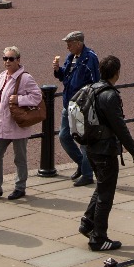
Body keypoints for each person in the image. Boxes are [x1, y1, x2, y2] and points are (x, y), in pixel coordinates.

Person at [79, 55, 134, 252]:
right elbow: (120, 127)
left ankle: (88, 222)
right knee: (106, 194)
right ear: (117, 73)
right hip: (105, 151)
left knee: (101, 186)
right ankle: (98, 238)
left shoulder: (91, 89)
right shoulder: (110, 95)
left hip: (91, 147)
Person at [0, 46, 40, 200]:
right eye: (5, 58)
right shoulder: (2, 76)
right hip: (2, 124)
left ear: (18, 60)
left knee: (19, 158)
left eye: (11, 58)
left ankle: (20, 187)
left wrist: (20, 99)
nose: (7, 61)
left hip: (17, 125)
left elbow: (37, 97)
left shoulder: (25, 78)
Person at [54, 31, 101, 186]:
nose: (67, 47)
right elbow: (64, 77)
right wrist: (57, 70)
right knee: (64, 136)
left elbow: (96, 82)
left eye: (70, 43)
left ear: (79, 43)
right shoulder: (70, 58)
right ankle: (82, 164)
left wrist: (91, 103)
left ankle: (87, 175)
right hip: (69, 104)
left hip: (82, 106)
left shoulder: (90, 58)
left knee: (84, 141)